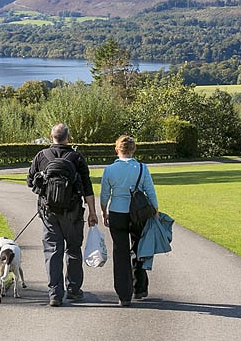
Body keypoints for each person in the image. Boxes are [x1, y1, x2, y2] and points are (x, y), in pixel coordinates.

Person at [27, 123, 98, 306]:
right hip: (73, 212)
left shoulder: (41, 156)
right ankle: (74, 290)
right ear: (69, 137)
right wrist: (92, 212)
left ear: (51, 137)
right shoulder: (77, 158)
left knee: (52, 251)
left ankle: (55, 294)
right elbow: (87, 187)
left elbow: (30, 182)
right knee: (73, 249)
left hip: (48, 212)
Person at [100, 135, 159, 306]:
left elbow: (105, 194)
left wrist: (104, 212)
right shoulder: (141, 168)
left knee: (120, 252)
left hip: (117, 212)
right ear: (133, 150)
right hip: (138, 213)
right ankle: (139, 287)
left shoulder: (109, 170)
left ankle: (123, 294)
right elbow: (150, 191)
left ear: (117, 149)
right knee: (139, 248)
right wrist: (155, 210)